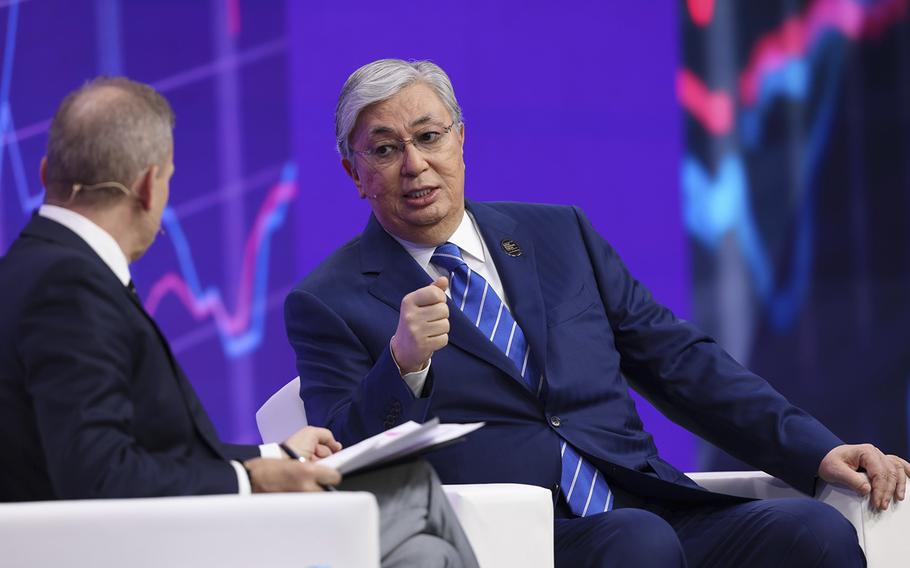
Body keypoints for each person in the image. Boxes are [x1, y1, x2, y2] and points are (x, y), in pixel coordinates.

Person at [284, 58, 910, 567]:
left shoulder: (560, 234)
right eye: (385, 149)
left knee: (813, 532)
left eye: (428, 137)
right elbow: (341, 463)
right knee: (638, 542)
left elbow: (680, 362)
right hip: (521, 543)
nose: (415, 164)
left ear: (460, 139)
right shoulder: (328, 300)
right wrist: (403, 364)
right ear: (353, 172)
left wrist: (815, 451)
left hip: (651, 507)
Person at [0, 77, 478, 568]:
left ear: (43, 172)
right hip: (141, 547)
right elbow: (100, 476)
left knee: (424, 554)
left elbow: (134, 451)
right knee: (413, 488)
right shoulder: (70, 288)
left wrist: (276, 458)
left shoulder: (31, 270)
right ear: (148, 187)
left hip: (137, 533)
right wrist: (252, 480)